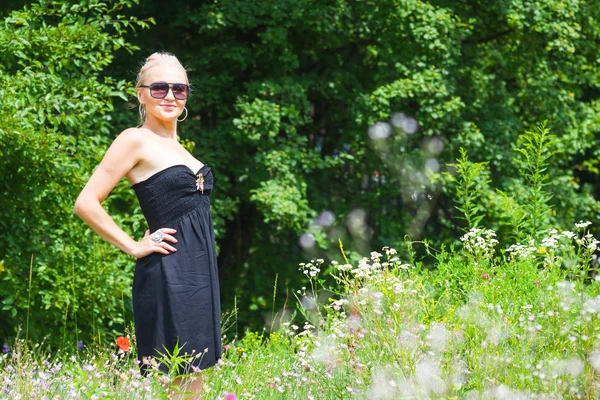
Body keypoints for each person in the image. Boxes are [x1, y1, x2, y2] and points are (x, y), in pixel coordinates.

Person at [74, 52, 221, 397]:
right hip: (170, 271)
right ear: (140, 93)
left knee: (194, 378)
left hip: (199, 272)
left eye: (179, 89)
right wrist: (133, 245)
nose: (170, 96)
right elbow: (86, 202)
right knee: (182, 377)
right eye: (159, 88)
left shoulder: (180, 148)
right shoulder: (134, 139)